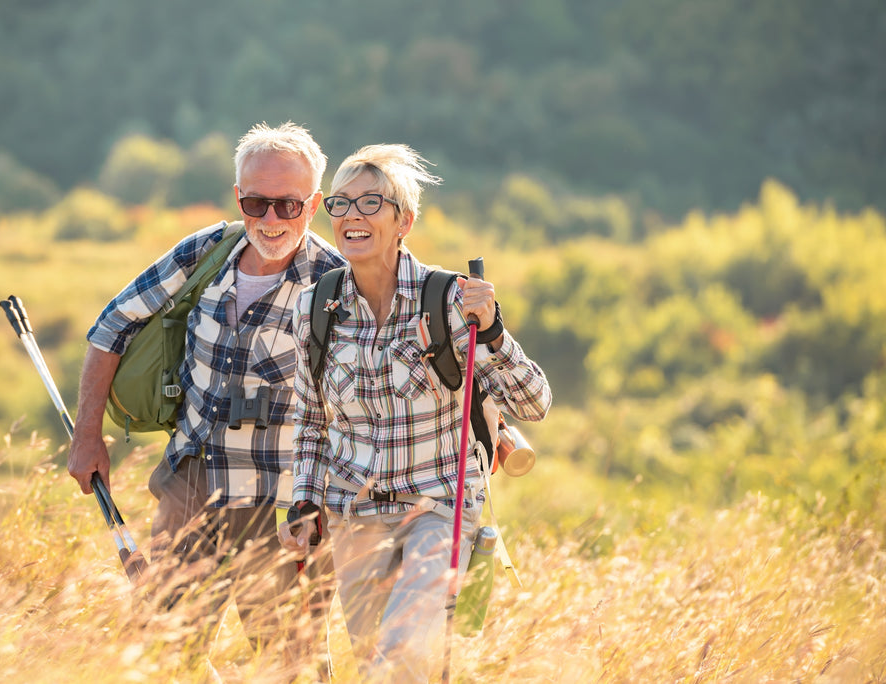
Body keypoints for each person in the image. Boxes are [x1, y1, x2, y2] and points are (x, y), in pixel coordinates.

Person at [68, 122, 345, 664]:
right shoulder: (205, 253)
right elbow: (110, 330)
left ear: (314, 205)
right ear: (239, 197)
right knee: (165, 656)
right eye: (257, 202)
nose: (270, 220)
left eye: (287, 205)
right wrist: (87, 436)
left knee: (292, 665)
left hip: (288, 504)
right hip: (190, 489)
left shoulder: (338, 283)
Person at [279, 144, 552, 681]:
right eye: (341, 204)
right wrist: (304, 501)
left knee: (399, 654)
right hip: (352, 516)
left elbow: (534, 403)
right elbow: (311, 422)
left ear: (404, 220)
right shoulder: (315, 306)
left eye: (370, 203)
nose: (352, 216)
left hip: (439, 510)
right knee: (379, 664)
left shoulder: (450, 301)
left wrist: (493, 331)